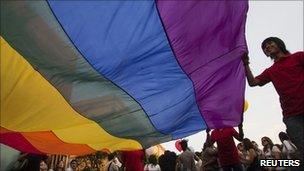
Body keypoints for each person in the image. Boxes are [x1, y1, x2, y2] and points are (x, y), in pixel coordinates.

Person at [242, 37, 303, 164]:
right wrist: (246, 64)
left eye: (270, 43)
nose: (267, 47)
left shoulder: (298, 57)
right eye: (265, 47)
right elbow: (253, 82)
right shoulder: (271, 71)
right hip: (291, 116)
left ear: (279, 44)